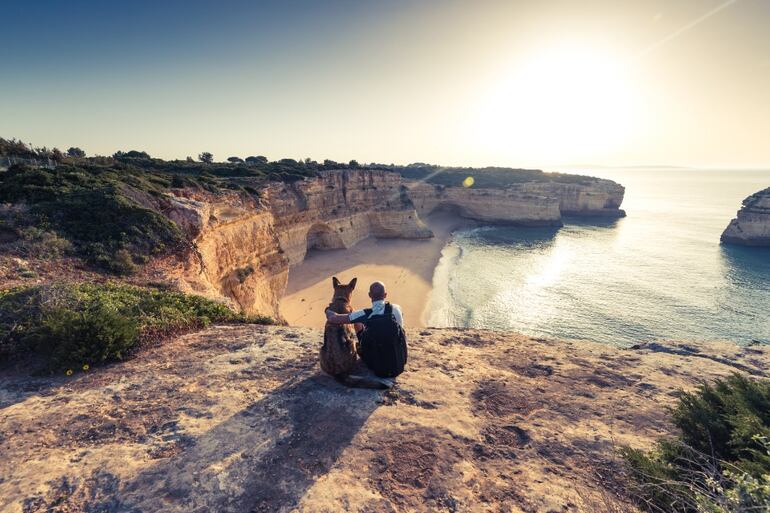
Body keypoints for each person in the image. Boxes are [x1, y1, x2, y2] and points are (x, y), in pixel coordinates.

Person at [325, 281, 407, 377]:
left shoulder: (364, 313)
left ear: (369, 295)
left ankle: (363, 344)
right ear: (385, 295)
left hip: (377, 367)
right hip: (398, 364)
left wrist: (327, 310)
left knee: (357, 321)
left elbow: (333, 318)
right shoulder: (397, 308)